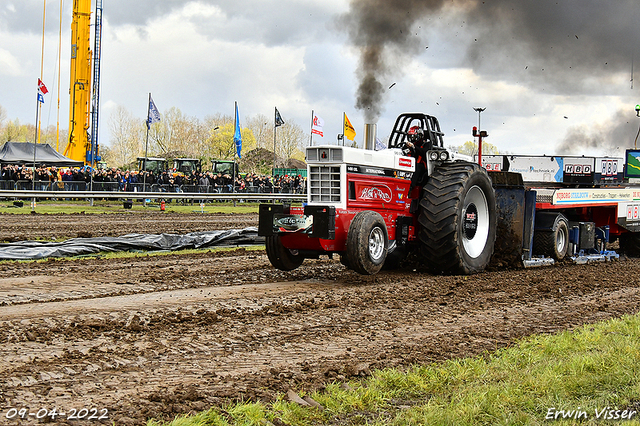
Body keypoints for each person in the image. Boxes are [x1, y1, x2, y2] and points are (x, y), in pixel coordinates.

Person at [405, 125, 429, 191]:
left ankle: (410, 188)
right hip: (408, 163)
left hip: (422, 167)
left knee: (417, 167)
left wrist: (414, 147)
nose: (412, 139)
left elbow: (425, 152)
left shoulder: (426, 144)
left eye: (414, 137)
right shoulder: (408, 145)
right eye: (410, 137)